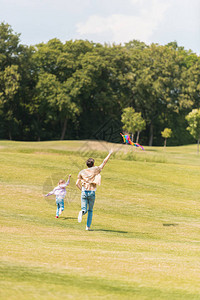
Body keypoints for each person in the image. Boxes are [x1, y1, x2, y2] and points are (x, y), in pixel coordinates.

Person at [76, 150, 113, 230]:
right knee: (90, 210)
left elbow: (77, 183)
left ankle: (82, 212)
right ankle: (87, 227)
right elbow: (104, 162)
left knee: (84, 209)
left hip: (84, 192)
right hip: (92, 192)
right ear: (93, 164)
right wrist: (109, 153)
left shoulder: (82, 172)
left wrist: (81, 190)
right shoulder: (96, 169)